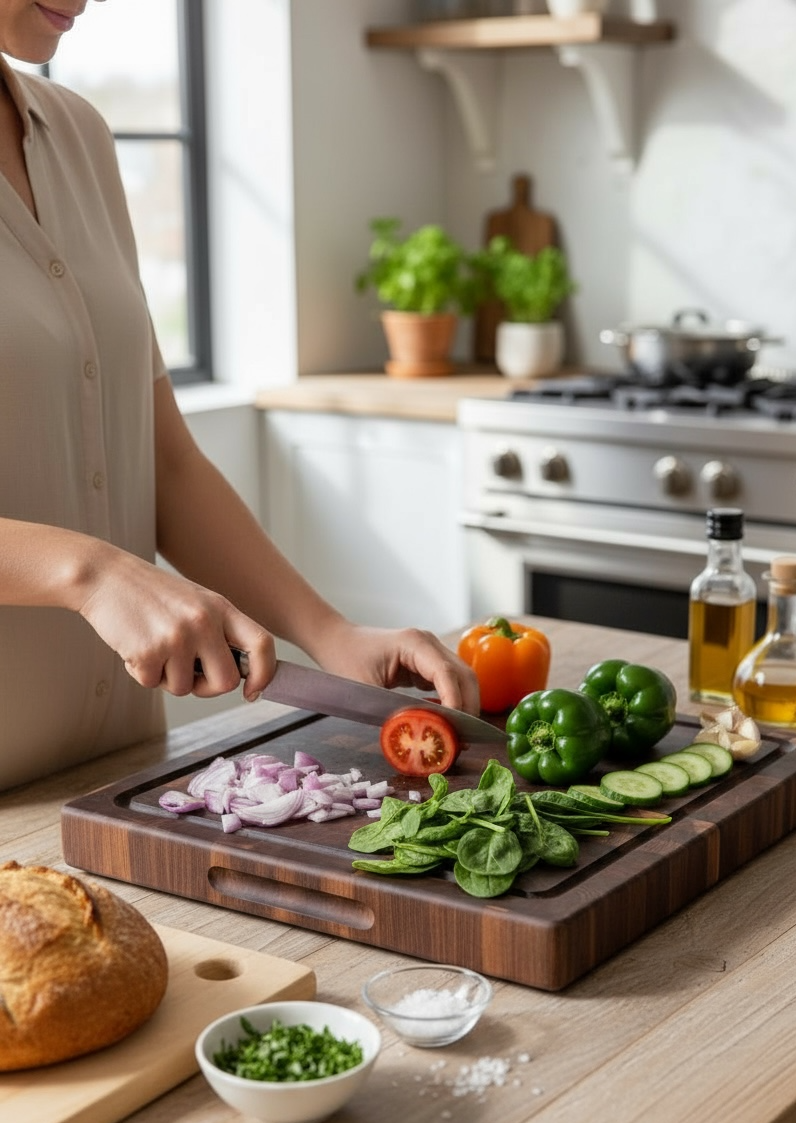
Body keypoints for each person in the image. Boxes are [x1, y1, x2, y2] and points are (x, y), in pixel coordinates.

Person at [0, 0, 478, 791]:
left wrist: (330, 634)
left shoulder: (78, 134)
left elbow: (164, 463)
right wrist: (88, 571)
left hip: (116, 777)